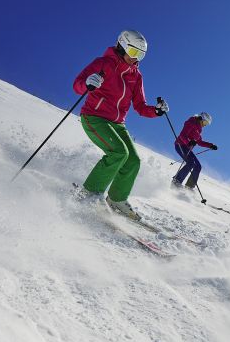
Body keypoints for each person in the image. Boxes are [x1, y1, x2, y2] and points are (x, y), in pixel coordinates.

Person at [72, 29, 168, 221]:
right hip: (95, 117)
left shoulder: (136, 76)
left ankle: (117, 199)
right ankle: (89, 194)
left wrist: (156, 111)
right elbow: (78, 85)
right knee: (118, 153)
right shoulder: (103, 64)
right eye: (133, 53)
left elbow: (140, 106)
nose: (136, 59)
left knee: (133, 161)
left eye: (140, 55)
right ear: (121, 45)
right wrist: (88, 83)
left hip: (117, 124)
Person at [171, 112, 217, 189]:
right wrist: (189, 142)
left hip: (187, 148)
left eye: (207, 124)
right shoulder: (191, 122)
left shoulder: (199, 129)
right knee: (191, 163)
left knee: (198, 166)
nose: (205, 125)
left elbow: (200, 142)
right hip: (180, 145)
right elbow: (183, 135)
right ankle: (177, 181)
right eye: (205, 122)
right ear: (201, 119)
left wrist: (210, 145)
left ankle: (189, 186)